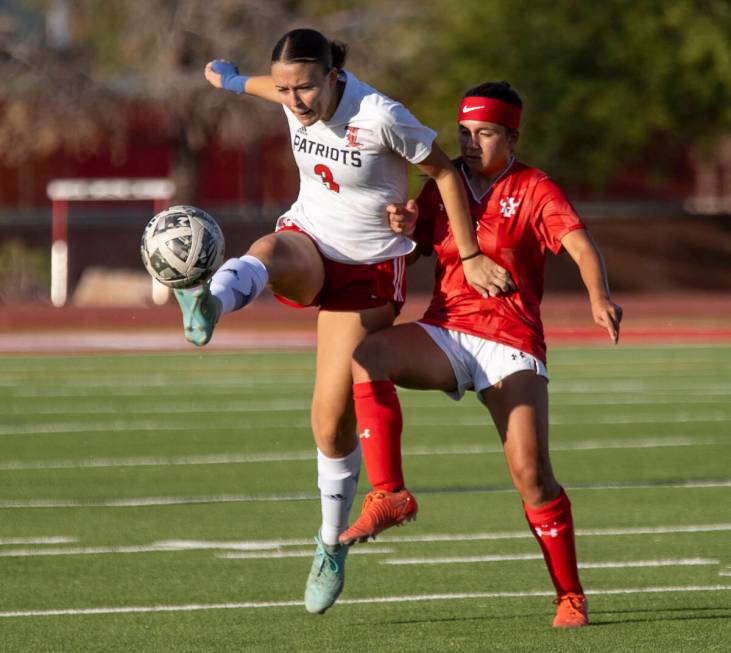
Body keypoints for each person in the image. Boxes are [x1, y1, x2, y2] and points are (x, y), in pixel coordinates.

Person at [173, 29, 515, 614]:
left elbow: (446, 173)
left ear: (334, 77)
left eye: (305, 88)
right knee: (270, 249)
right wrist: (229, 80)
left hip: (370, 272)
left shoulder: (382, 115)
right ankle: (211, 303)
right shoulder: (288, 94)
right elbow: (263, 86)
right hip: (311, 240)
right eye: (285, 89)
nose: (295, 101)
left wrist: (472, 250)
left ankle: (330, 544)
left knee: (329, 422)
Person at [338, 81, 623, 628]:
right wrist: (405, 226)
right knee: (368, 356)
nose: (470, 143)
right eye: (464, 132)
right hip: (447, 331)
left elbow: (581, 244)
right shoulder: (442, 186)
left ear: (512, 136)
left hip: (511, 343)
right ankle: (390, 494)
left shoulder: (534, 186)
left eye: (485, 133)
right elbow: (416, 245)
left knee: (531, 474)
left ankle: (569, 595)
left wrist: (599, 296)